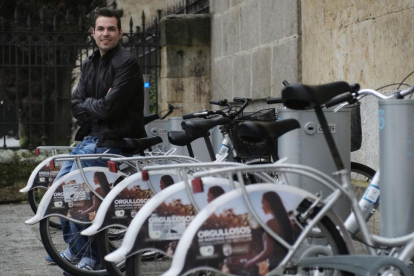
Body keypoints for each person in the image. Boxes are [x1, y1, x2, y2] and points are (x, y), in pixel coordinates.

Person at [45, 7, 145, 274]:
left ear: (120, 32)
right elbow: (76, 104)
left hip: (116, 140)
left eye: (111, 29)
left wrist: (94, 104)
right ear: (93, 33)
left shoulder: (126, 63)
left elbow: (108, 109)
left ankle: (92, 256)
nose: (105, 33)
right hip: (91, 138)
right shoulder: (90, 63)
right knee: (59, 187)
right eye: (100, 28)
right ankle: (76, 248)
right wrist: (96, 103)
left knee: (76, 188)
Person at [243, 191, 294, 275]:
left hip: (275, 266)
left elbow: (268, 251)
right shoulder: (284, 221)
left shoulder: (271, 223)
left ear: (269, 203)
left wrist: (250, 263)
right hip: (284, 262)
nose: (262, 207)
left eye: (263, 203)